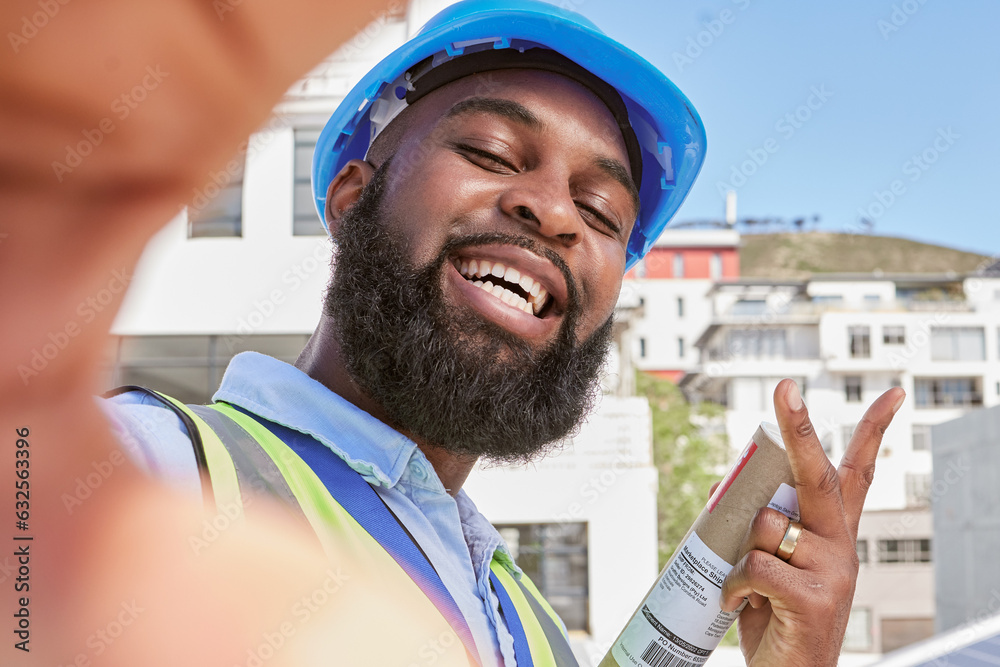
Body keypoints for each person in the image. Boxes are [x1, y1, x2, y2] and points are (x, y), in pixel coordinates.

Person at [0, 0, 903, 664]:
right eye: (492, 154)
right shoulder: (151, 473)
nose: (552, 210)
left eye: (600, 210)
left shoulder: (527, 626)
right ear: (354, 198)